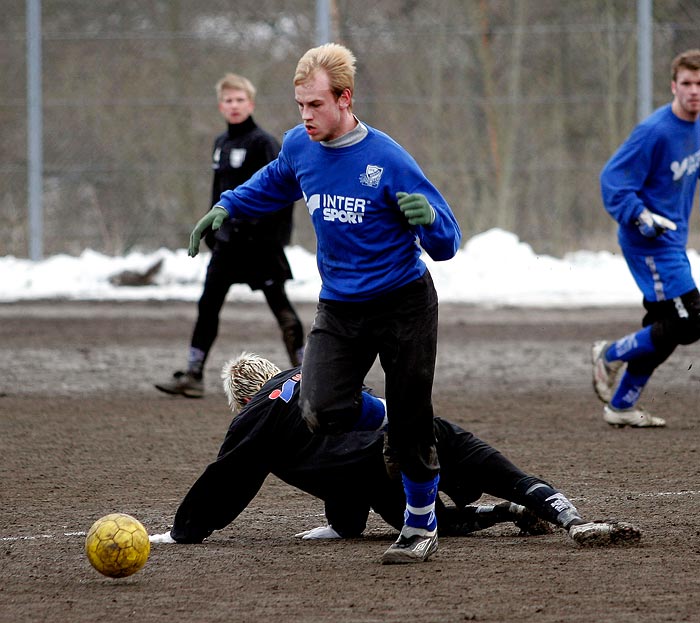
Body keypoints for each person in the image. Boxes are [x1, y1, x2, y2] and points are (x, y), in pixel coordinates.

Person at [187, 44, 462, 563]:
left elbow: (447, 244)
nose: (306, 115)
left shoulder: (387, 158)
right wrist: (225, 206)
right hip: (340, 305)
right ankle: (395, 420)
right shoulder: (298, 146)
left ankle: (421, 522)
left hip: (404, 301)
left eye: (315, 104)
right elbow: (270, 184)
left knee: (410, 427)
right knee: (317, 408)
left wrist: (427, 218)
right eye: (299, 106)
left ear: (344, 99)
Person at [150, 353, 642, 555]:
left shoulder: (253, 416)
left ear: (239, 399)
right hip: (414, 423)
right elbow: (339, 432)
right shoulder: (315, 374)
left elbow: (226, 478)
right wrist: (342, 525)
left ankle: (499, 513)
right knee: (500, 471)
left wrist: (184, 530)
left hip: (369, 471)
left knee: (427, 520)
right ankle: (565, 516)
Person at [155, 73, 305, 399]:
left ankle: (309, 373)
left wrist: (274, 237)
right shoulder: (221, 144)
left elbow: (283, 192)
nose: (234, 106)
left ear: (250, 104)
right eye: (228, 100)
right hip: (228, 245)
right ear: (220, 105)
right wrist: (211, 230)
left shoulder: (264, 143)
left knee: (282, 308)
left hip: (260, 245)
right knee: (208, 305)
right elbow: (217, 193)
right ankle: (193, 374)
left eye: (240, 100)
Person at [593, 49, 700, 428]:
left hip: (672, 241)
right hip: (648, 241)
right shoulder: (654, 131)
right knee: (690, 320)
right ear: (674, 86)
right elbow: (613, 181)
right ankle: (609, 353)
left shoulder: (698, 127)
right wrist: (640, 216)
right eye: (686, 83)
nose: (694, 91)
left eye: (699, 83)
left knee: (665, 325)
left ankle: (621, 405)